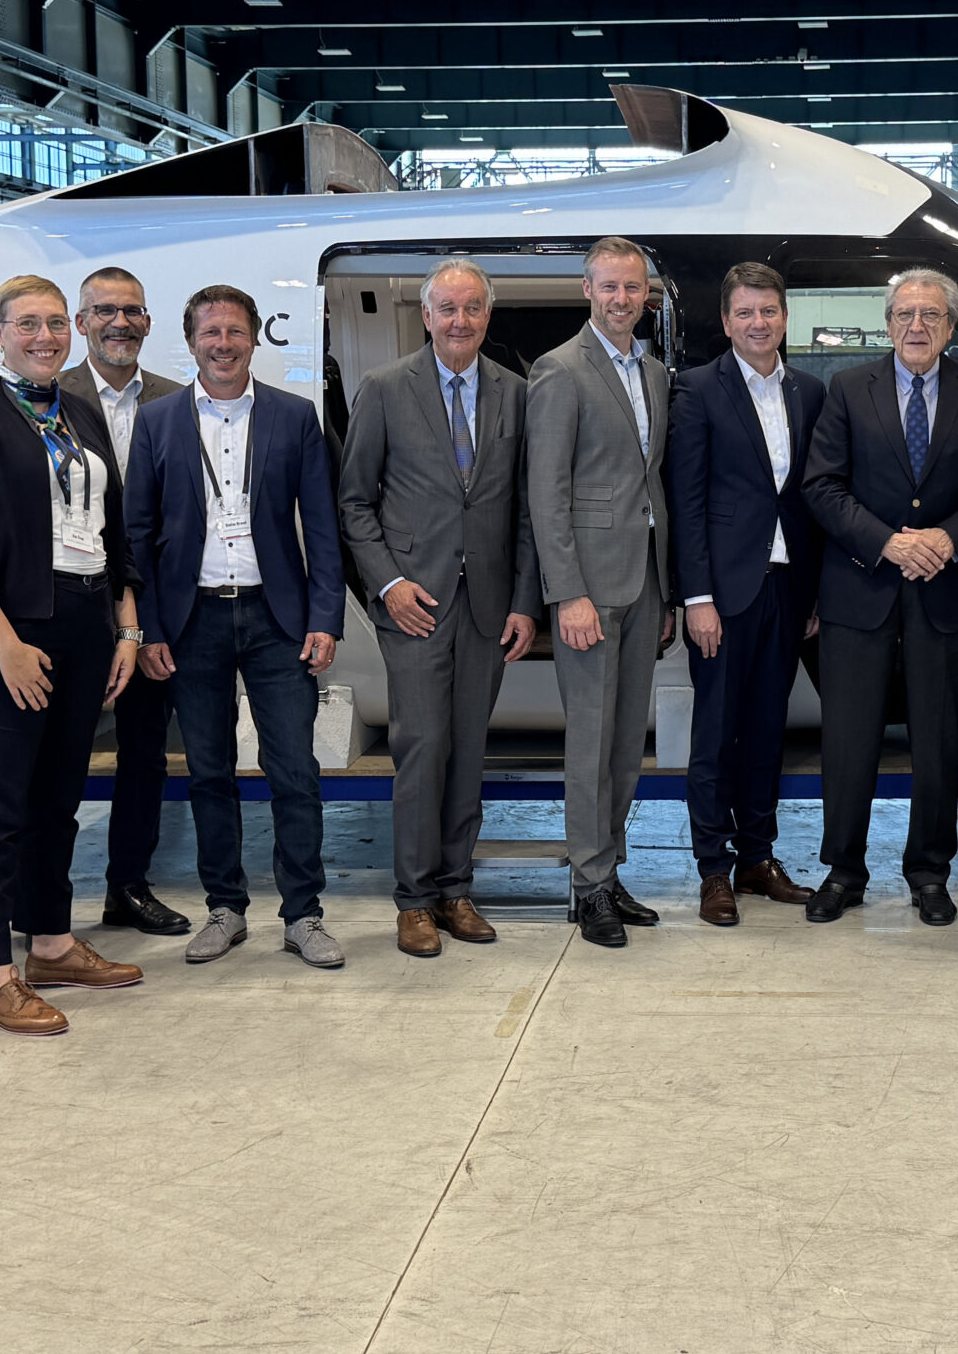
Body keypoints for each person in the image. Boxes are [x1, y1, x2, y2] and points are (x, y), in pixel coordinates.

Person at [0, 276, 147, 1036]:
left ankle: (50, 943)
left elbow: (114, 531)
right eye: (27, 324)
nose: (44, 337)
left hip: (84, 622)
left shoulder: (78, 412)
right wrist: (8, 648)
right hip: (2, 633)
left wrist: (125, 628)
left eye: (55, 323)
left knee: (58, 796)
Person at [127, 284, 348, 969]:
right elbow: (137, 533)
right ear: (190, 341)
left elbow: (322, 526)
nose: (222, 344)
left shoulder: (294, 416)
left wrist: (325, 617)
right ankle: (225, 908)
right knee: (208, 772)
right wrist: (149, 628)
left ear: (255, 338)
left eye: (234, 332)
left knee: (295, 770)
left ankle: (303, 915)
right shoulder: (158, 420)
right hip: (190, 621)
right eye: (210, 333)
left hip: (276, 619)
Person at [802, 268, 958, 927]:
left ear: (951, 326)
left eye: (930, 315)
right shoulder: (848, 388)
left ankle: (929, 872)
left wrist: (949, 538)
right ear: (888, 323)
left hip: (942, 590)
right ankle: (843, 871)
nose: (916, 326)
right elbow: (822, 485)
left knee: (937, 740)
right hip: (859, 590)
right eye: (905, 314)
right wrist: (888, 543)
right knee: (849, 741)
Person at [339, 259, 543, 954]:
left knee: (468, 749)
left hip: (487, 605)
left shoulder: (516, 394)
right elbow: (354, 502)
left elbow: (526, 511)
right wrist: (389, 585)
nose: (460, 321)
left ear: (488, 316)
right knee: (422, 747)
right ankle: (414, 901)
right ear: (426, 316)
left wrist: (524, 603)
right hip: (415, 604)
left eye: (472, 308)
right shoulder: (384, 388)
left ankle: (456, 891)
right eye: (447, 309)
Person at [668, 262, 826, 927]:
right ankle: (713, 869)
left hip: (789, 589)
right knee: (715, 736)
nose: (758, 323)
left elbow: (812, 498)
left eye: (768, 311)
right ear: (727, 321)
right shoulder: (698, 388)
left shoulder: (810, 391)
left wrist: (813, 595)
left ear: (785, 317)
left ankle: (758, 859)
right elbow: (687, 501)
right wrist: (696, 597)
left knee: (767, 731)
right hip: (724, 595)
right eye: (745, 313)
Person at [527, 238, 674, 949]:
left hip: (644, 579)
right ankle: (588, 889)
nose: (622, 299)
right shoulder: (559, 370)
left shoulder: (653, 371)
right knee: (589, 743)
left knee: (623, 744)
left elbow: (649, 481)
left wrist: (666, 589)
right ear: (587, 290)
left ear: (648, 295)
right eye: (609, 287)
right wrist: (568, 593)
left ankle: (608, 872)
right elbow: (546, 492)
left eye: (633, 287)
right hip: (589, 586)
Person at [62, 265, 193, 940]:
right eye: (106, 310)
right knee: (56, 758)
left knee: (145, 754)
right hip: (68, 606)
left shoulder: (178, 401)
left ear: (148, 321)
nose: (121, 322)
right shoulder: (46, 398)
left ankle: (128, 888)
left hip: (151, 611)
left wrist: (145, 615)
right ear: (81, 321)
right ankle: (39, 895)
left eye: (133, 311)